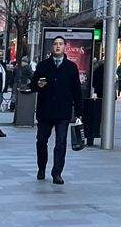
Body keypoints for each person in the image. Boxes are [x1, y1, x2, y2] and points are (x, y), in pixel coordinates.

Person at [32, 37, 83, 184]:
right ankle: (41, 168)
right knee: (41, 141)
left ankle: (57, 172)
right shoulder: (43, 66)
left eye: (60, 44)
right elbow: (33, 84)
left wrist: (79, 112)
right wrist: (38, 85)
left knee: (60, 143)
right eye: (55, 44)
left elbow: (77, 91)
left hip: (63, 111)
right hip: (45, 110)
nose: (58, 46)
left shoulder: (71, 67)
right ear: (51, 47)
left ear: (65, 47)